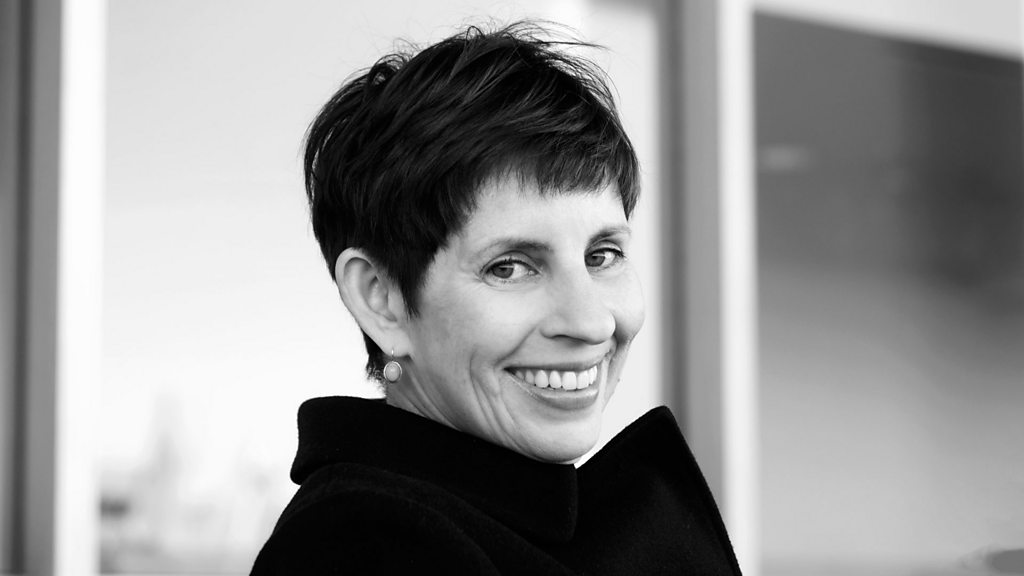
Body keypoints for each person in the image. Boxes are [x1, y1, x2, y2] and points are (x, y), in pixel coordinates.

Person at [250, 22, 741, 575]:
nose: (591, 322)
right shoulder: (363, 552)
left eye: (602, 256)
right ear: (380, 298)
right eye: (509, 267)